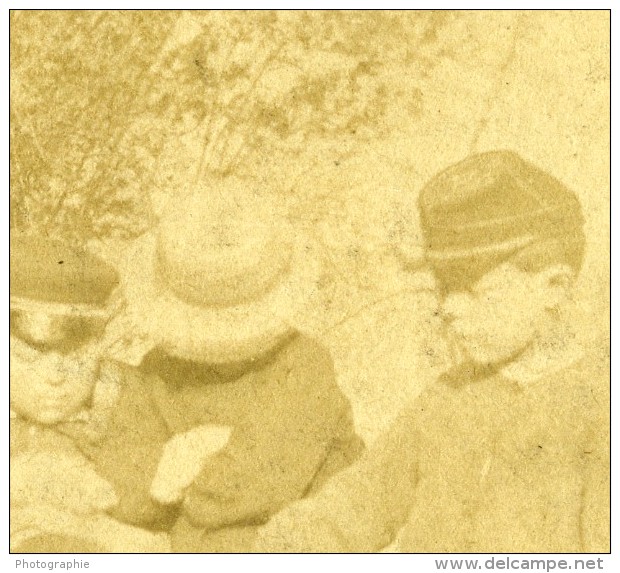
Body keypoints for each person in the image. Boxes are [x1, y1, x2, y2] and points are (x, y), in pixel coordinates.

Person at [253, 150, 610, 553]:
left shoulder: (600, 414)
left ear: (554, 286)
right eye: (444, 288)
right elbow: (346, 513)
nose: (450, 309)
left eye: (478, 291)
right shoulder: (445, 401)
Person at [121, 179, 365, 552]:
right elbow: (119, 481)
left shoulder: (304, 363)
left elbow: (252, 486)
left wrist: (176, 471)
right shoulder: (159, 369)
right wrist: (163, 477)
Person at [10, 233, 173, 552]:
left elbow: (147, 500)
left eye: (76, 357)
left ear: (99, 347)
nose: (54, 377)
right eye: (28, 356)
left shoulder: (128, 398)